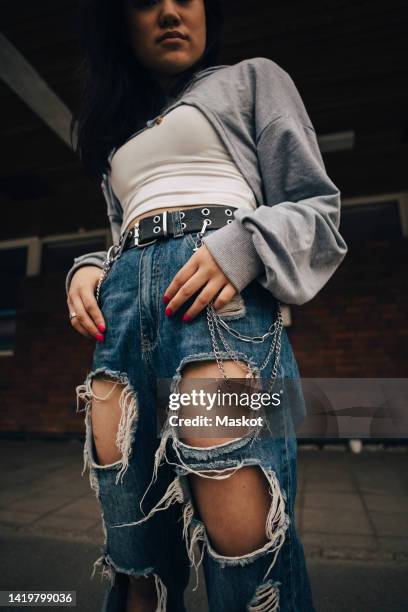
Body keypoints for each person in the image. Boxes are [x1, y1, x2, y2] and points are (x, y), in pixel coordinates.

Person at [66, 1, 347, 611]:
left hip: (216, 316)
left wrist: (242, 247)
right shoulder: (119, 131)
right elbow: (123, 234)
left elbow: (318, 213)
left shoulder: (252, 78)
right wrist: (89, 268)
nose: (169, 9)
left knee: (244, 539)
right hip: (120, 323)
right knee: (132, 552)